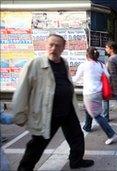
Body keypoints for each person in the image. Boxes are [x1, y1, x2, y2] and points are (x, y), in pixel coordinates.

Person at [11, 34, 94, 170]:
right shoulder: (35, 64)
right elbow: (22, 91)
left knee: (77, 136)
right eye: (51, 44)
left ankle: (76, 161)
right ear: (46, 45)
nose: (54, 48)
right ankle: (24, 168)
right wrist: (19, 115)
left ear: (63, 47)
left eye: (58, 45)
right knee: (37, 144)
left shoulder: (64, 62)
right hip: (47, 112)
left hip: (67, 110)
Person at [72, 47, 117, 145]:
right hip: (98, 92)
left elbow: (75, 80)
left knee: (96, 114)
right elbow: (108, 76)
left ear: (87, 55)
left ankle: (111, 134)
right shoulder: (101, 65)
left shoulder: (84, 65)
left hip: (89, 93)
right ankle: (87, 126)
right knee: (89, 109)